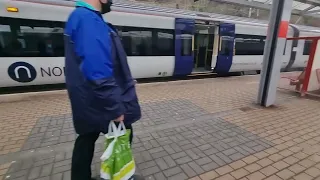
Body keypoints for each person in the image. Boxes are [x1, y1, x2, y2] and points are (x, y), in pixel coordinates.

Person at [64, 0, 141, 179]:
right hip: (101, 99)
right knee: (123, 135)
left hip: (87, 97)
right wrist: (114, 107)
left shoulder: (80, 17)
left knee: (86, 138)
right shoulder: (89, 20)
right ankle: (119, 174)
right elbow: (97, 70)